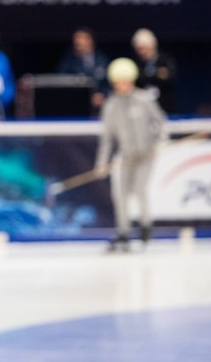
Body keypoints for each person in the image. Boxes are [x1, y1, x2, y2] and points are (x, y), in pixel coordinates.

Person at [95, 58, 167, 253]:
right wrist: (101, 163)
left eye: (125, 80)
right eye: (118, 81)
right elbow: (107, 139)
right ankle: (124, 232)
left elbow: (160, 122)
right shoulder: (110, 106)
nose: (122, 84)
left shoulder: (144, 99)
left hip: (146, 155)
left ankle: (145, 227)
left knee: (140, 190)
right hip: (126, 157)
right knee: (120, 194)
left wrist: (159, 142)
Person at [57, 27, 110, 111]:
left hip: (99, 106)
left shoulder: (102, 60)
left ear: (90, 41)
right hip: (75, 105)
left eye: (81, 39)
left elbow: (108, 84)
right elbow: (62, 83)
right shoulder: (68, 62)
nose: (78, 41)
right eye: (76, 39)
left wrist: (103, 95)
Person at [131, 28, 177, 114]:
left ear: (153, 46)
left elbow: (171, 78)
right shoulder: (135, 64)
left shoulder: (165, 60)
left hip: (164, 107)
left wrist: (149, 75)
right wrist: (158, 74)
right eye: (139, 49)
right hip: (142, 110)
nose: (142, 52)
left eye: (145, 48)